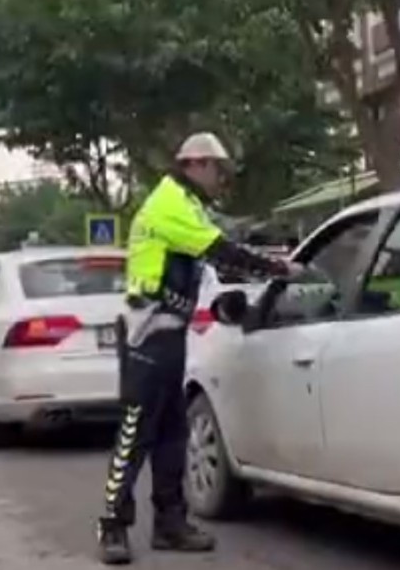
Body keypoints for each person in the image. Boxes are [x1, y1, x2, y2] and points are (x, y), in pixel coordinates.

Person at [96, 132, 292, 565]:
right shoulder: (169, 203)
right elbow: (220, 248)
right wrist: (276, 267)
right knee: (135, 433)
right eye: (218, 170)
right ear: (196, 165)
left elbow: (216, 250)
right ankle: (112, 525)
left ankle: (170, 523)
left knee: (172, 435)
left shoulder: (187, 205)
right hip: (147, 333)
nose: (221, 179)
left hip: (170, 334)